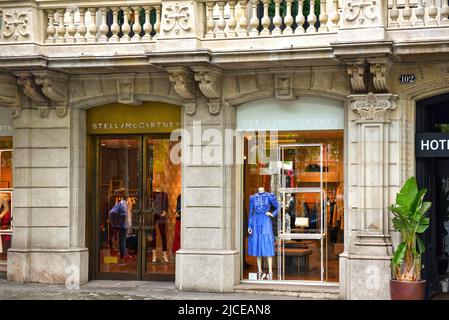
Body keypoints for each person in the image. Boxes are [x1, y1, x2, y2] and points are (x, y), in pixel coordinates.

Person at [247, 187, 278, 280]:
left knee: (267, 244)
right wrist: (249, 226)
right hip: (256, 222)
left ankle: (270, 273)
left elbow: (279, 205)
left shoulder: (269, 196)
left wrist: (272, 213)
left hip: (265, 221)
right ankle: (260, 272)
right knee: (258, 246)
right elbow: (251, 212)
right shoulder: (253, 197)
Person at [109, 196, 129, 264]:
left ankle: (122, 257)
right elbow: (112, 212)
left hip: (123, 225)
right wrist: (114, 223)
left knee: (122, 241)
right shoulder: (121, 204)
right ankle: (122, 258)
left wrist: (114, 223)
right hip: (122, 225)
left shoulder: (123, 204)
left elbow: (112, 212)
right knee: (122, 242)